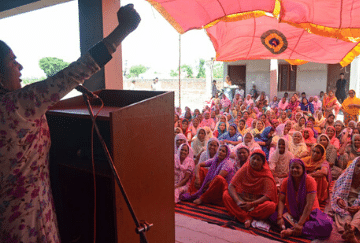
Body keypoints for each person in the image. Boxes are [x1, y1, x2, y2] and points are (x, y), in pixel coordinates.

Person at [0, 4, 140, 242]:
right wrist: (124, 30)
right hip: (30, 221)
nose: (20, 66)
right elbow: (77, 71)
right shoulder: (15, 106)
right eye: (13, 61)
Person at [272, 159, 333, 240]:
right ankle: (299, 229)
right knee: (271, 214)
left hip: (309, 213)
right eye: (292, 167)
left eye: (297, 167)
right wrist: (279, 218)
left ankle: (292, 231)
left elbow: (309, 204)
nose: (294, 170)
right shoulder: (286, 181)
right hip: (292, 212)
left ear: (303, 169)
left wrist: (300, 224)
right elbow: (281, 200)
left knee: (326, 226)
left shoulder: (310, 181)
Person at [222, 149, 277, 228]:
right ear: (250, 159)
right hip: (242, 201)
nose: (255, 161)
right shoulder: (245, 169)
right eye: (253, 158)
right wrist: (238, 201)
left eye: (258, 160)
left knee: (271, 206)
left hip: (256, 205)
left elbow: (268, 196)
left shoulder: (266, 175)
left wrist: (252, 204)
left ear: (263, 163)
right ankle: (248, 217)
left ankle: (243, 215)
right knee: (226, 195)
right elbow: (231, 186)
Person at [331, 158, 360, 243]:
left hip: (358, 206)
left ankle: (351, 229)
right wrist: (339, 200)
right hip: (346, 203)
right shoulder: (345, 176)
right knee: (343, 213)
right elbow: (337, 193)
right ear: (354, 166)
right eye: (358, 166)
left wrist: (358, 207)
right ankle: (350, 233)